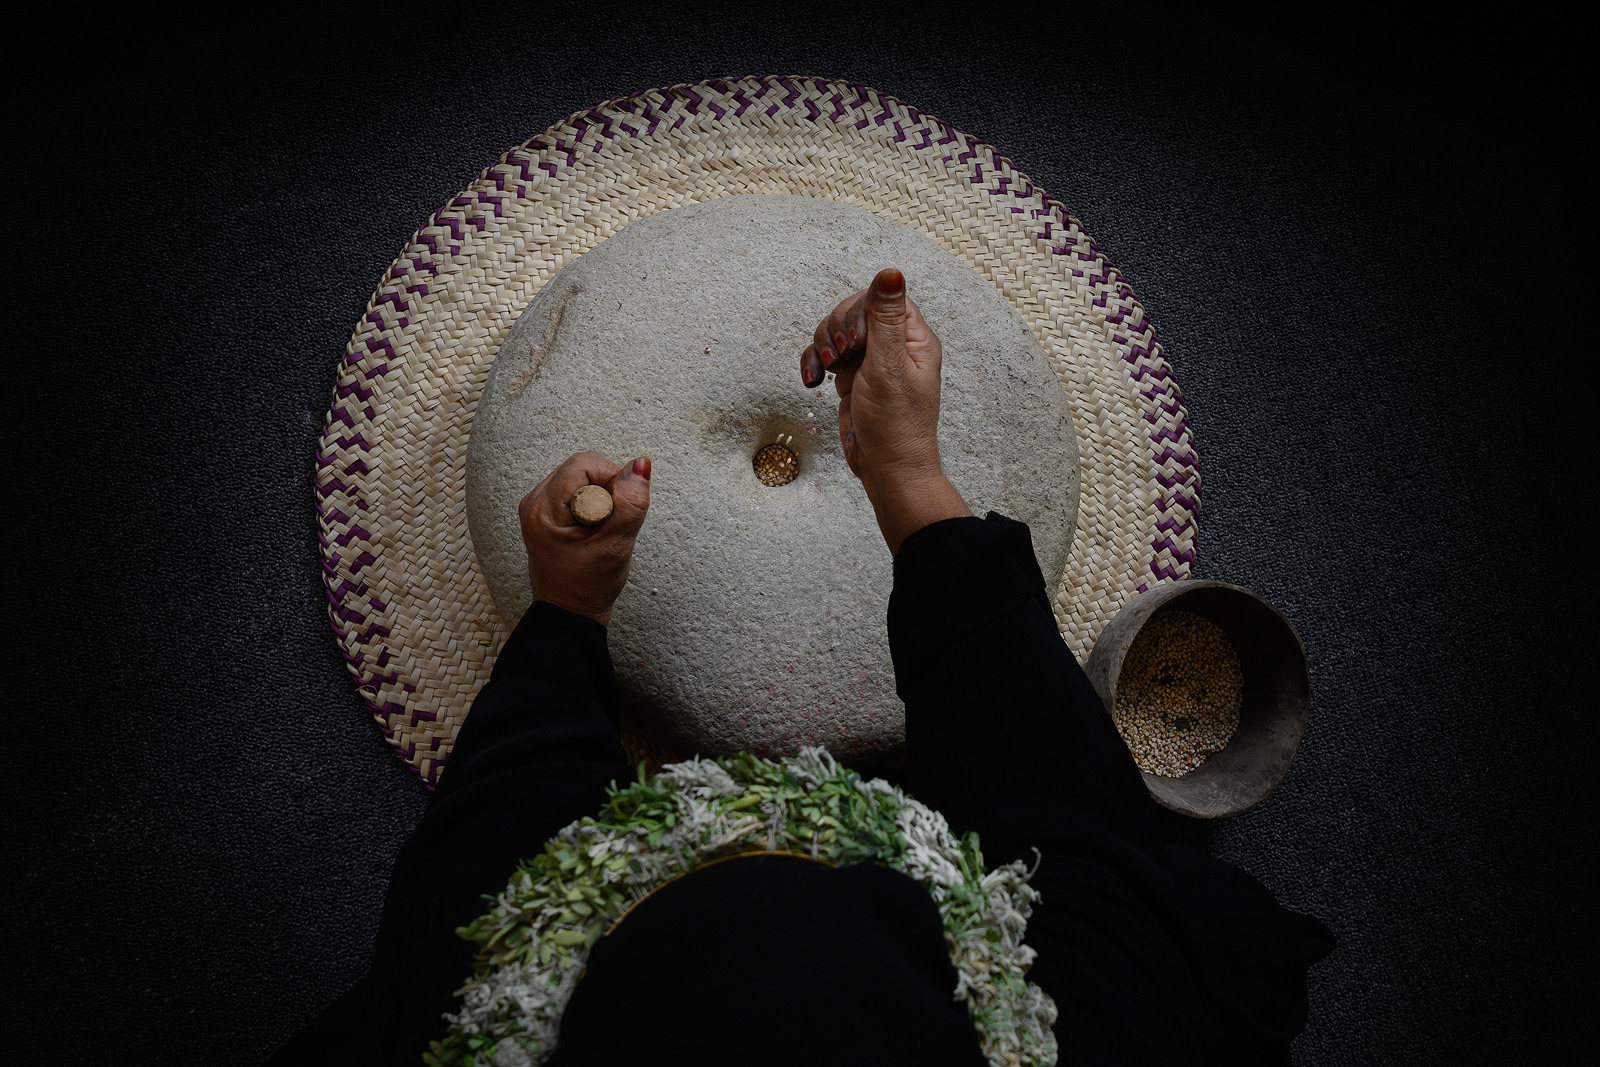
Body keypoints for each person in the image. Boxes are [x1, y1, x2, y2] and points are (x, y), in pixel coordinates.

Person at [270, 269, 1334, 1066]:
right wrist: (910, 479)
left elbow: (481, 871)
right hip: (971, 938)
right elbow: (1079, 841)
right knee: (1192, 923)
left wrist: (564, 616)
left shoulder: (463, 1026)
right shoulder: (1096, 1028)